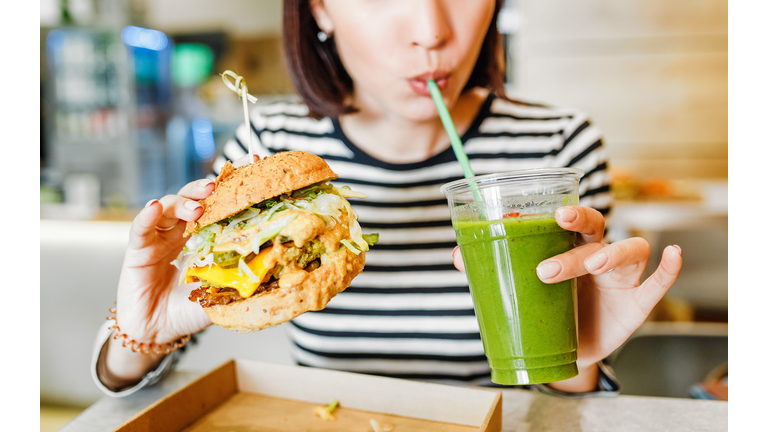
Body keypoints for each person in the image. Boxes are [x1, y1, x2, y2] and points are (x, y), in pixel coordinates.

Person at [92, 0, 682, 397]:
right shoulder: (270, 148)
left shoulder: (558, 146)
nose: (432, 29)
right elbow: (127, 371)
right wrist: (145, 330)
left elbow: (567, 391)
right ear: (319, 7)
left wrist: (576, 356)